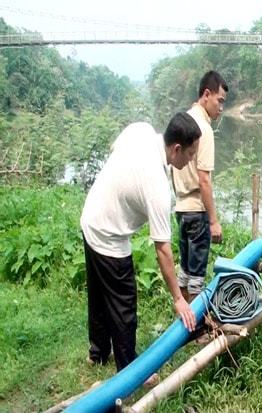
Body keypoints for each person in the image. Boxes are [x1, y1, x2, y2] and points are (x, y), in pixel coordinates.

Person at [80, 112, 200, 378]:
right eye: (190, 154)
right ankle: (130, 371)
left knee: (99, 295)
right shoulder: (157, 186)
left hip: (90, 217)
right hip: (109, 234)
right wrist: (179, 299)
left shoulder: (141, 130)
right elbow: (162, 249)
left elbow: (114, 148)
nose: (191, 160)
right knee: (124, 305)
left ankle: (97, 354)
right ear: (177, 148)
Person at [172, 70, 229, 303]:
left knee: (185, 272)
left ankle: (183, 323)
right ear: (207, 94)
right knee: (196, 277)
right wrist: (213, 221)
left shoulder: (183, 121)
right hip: (196, 211)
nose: (221, 108)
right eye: (220, 101)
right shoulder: (203, 130)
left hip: (180, 209)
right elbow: (204, 179)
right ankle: (197, 330)